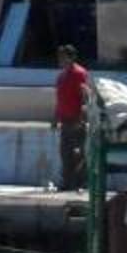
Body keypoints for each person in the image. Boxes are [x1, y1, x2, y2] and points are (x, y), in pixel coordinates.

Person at [51, 43, 91, 190]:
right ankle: (67, 182)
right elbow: (60, 99)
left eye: (64, 56)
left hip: (76, 120)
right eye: (60, 56)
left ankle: (81, 183)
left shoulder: (79, 74)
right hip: (65, 120)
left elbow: (84, 98)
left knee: (77, 152)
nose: (60, 59)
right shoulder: (61, 76)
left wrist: (81, 118)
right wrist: (55, 118)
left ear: (71, 57)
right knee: (65, 152)